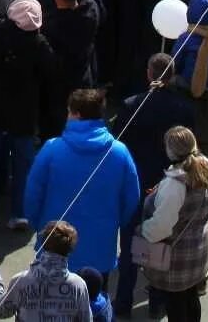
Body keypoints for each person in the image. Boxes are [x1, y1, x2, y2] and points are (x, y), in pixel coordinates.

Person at [24, 89, 142, 285]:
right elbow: (131, 197)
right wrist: (114, 222)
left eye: (69, 111)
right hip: (100, 249)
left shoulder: (52, 149)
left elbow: (32, 195)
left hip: (55, 246)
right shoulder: (119, 152)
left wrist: (40, 226)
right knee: (94, 307)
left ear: (76, 114)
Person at [0, 0, 60, 229]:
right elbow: (50, 73)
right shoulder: (40, 44)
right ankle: (19, 213)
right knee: (23, 165)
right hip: (23, 113)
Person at [136, 126, 208, 322]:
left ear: (171, 151)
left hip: (176, 257)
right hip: (198, 248)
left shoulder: (175, 184)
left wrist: (142, 230)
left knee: (176, 303)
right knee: (191, 297)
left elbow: (162, 227)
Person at [0, 220, 91, 321]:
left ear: (43, 242)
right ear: (70, 249)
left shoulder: (21, 281)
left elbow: (1, 312)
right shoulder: (79, 285)